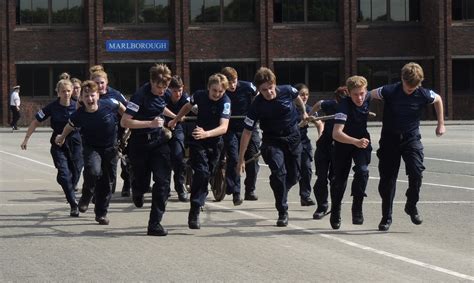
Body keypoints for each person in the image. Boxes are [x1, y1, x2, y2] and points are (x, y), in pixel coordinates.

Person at [370, 62, 445, 231]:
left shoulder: (423, 93)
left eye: (414, 87)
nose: (411, 89)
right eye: (408, 86)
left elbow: (438, 99)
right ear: (402, 79)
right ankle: (386, 217)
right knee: (387, 180)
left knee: (416, 172)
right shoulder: (389, 91)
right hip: (390, 139)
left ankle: (411, 205)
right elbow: (368, 95)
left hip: (411, 138)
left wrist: (441, 123)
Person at [236, 67, 308, 227]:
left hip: (293, 138)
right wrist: (241, 159)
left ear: (275, 84)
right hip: (272, 141)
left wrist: (303, 112)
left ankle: (280, 187)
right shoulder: (256, 105)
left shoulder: (288, 90)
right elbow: (247, 132)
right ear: (259, 90)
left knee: (294, 177)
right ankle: (282, 211)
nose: (268, 92)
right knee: (279, 173)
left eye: (270, 88)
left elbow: (298, 98)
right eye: (264, 90)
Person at [55, 80, 125, 225]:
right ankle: (86, 195)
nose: (90, 99)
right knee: (93, 171)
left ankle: (101, 213)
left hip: (110, 148)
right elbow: (70, 126)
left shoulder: (109, 104)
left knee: (107, 182)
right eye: (86, 96)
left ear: (98, 95)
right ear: (81, 98)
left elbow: (121, 107)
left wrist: (127, 119)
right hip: (92, 148)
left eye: (92, 95)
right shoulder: (79, 114)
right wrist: (61, 137)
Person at [168, 73, 231, 230]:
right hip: (198, 139)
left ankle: (198, 197)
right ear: (208, 88)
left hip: (215, 141)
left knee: (208, 174)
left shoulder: (226, 102)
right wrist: (176, 119)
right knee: (202, 173)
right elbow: (187, 106)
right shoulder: (199, 95)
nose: (217, 94)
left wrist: (207, 133)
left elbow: (224, 127)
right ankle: (194, 210)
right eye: (214, 90)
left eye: (220, 92)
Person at [121, 64, 174, 236]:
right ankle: (137, 188)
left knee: (163, 182)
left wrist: (175, 116)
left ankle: (155, 224)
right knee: (143, 182)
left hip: (159, 142)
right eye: (159, 86)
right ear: (151, 81)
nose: (162, 90)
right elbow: (125, 122)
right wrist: (149, 123)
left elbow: (159, 107)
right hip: (140, 143)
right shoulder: (139, 96)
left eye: (165, 87)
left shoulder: (164, 93)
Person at [20, 78, 82, 217]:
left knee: (76, 173)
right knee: (65, 175)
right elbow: (36, 121)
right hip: (58, 144)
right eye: (63, 91)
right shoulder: (52, 107)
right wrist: (26, 139)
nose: (66, 93)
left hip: (76, 143)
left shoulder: (79, 106)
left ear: (72, 91)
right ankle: (73, 204)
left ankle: (66, 185)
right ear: (58, 92)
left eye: (68, 91)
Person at [329, 76, 372, 230]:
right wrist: (355, 141)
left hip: (362, 142)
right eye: (355, 94)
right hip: (344, 143)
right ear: (349, 93)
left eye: (362, 93)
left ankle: (357, 206)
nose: (359, 98)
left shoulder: (368, 97)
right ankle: (335, 210)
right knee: (339, 181)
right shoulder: (343, 107)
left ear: (366, 91)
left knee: (363, 171)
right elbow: (336, 134)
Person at [220, 66, 260, 205]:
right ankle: (236, 193)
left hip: (248, 127)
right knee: (235, 158)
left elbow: (259, 96)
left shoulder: (248, 87)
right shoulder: (221, 90)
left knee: (253, 158)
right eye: (229, 82)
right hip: (229, 128)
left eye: (234, 81)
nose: (232, 85)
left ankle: (250, 190)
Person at [309, 86, 349, 219]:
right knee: (321, 178)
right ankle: (322, 206)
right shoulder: (331, 105)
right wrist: (311, 116)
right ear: (336, 98)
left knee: (335, 179)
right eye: (339, 99)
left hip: (340, 147)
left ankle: (336, 207)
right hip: (324, 144)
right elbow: (319, 104)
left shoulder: (351, 107)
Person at [89, 65, 129, 196]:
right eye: (96, 83)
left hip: (115, 135)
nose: (100, 86)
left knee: (113, 165)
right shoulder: (88, 96)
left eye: (102, 83)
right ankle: (98, 190)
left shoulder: (116, 95)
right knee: (96, 167)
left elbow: (128, 112)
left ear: (107, 83)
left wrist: (127, 129)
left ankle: (113, 189)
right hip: (94, 137)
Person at [294, 83, 323, 207]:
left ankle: (305, 196)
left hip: (303, 142)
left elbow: (319, 123)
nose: (304, 97)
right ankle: (282, 194)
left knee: (306, 168)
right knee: (293, 173)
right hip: (290, 142)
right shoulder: (288, 107)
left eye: (306, 94)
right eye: (302, 95)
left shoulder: (310, 109)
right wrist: (301, 123)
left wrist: (320, 136)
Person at [163, 75, 189, 202]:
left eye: (180, 90)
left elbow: (193, 107)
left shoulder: (185, 97)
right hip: (162, 128)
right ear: (169, 89)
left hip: (177, 129)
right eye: (174, 91)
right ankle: (165, 188)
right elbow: (161, 108)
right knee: (164, 158)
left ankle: (180, 188)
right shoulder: (164, 95)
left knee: (178, 157)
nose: (178, 93)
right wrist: (177, 117)